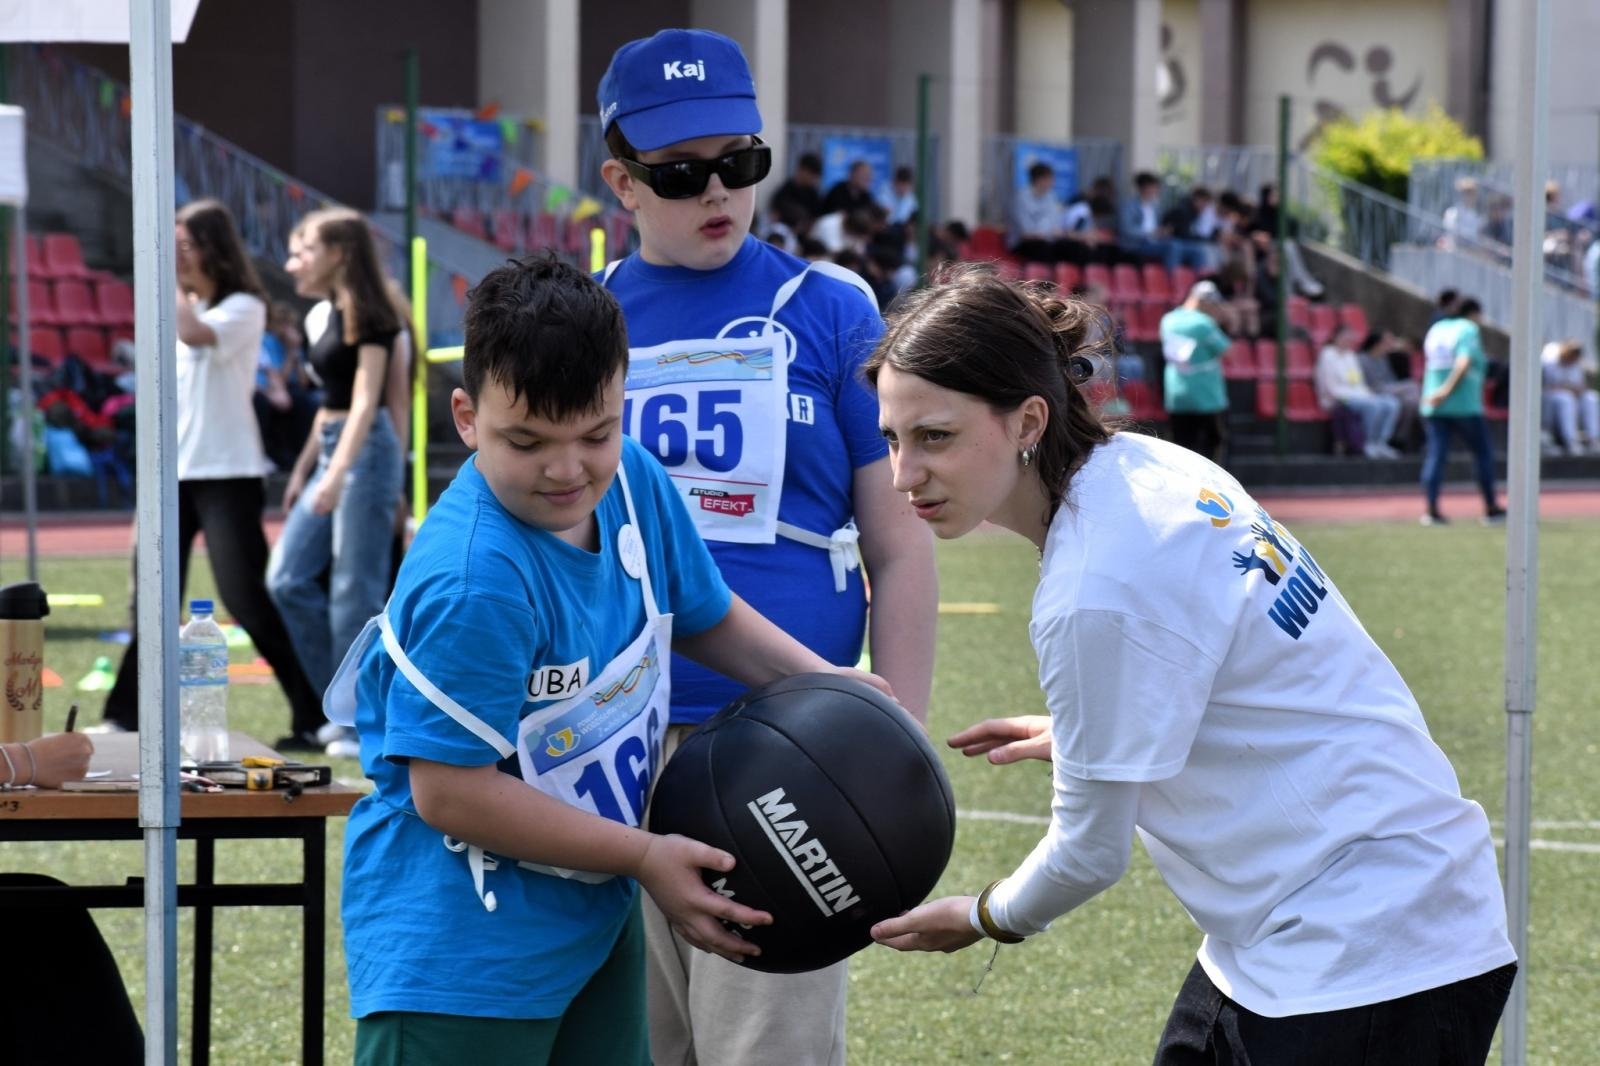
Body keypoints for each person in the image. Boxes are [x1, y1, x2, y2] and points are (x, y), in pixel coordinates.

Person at [864, 267, 1518, 1065]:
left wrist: (983, 916)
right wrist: (1088, 729)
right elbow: (1228, 667)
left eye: (935, 436)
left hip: (1370, 955)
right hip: (1314, 933)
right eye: (891, 439)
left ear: (1028, 419)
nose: (904, 475)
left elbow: (1089, 854)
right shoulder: (1154, 466)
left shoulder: (1094, 589)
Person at [328, 253, 891, 1065]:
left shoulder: (631, 478)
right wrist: (642, 855)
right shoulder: (473, 579)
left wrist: (831, 686)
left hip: (588, 923)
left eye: (594, 432)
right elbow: (448, 790)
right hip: (461, 956)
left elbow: (704, 614)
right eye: (526, 440)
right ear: (463, 415)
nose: (567, 470)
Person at [595, 28, 937, 1066]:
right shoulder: (584, 317)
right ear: (621, 181)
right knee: (636, 1048)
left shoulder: (831, 307)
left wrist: (895, 739)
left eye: (739, 162)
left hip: (788, 752)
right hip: (608, 751)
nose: (718, 190)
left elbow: (899, 541)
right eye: (679, 171)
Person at [91, 200, 325, 748]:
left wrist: (162, 268)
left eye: (186, 245)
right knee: (152, 597)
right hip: (172, 474)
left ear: (214, 249)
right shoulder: (184, 307)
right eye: (174, 246)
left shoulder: (242, 306)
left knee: (246, 599)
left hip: (226, 474)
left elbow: (194, 333)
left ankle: (313, 715)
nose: (178, 257)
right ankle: (125, 714)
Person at [267, 209, 406, 754]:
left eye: (304, 250)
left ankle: (356, 721)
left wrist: (340, 471)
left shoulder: (372, 315)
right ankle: (345, 703)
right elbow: (330, 406)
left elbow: (368, 402)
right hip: (333, 451)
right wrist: (306, 468)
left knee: (355, 589)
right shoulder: (318, 316)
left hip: (365, 453)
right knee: (287, 578)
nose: (292, 262)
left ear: (339, 252)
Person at [1419, 298, 1505, 526]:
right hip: (1463, 404)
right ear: (1473, 314)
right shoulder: (1468, 329)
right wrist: (1446, 390)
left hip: (1433, 403)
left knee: (1436, 457)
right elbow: (1463, 361)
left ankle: (1431, 510)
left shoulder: (1437, 328)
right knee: (1483, 454)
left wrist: (1438, 393)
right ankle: (1490, 508)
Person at [1159, 280, 1232, 465]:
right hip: (1206, 395)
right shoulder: (1203, 324)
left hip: (1176, 392)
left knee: (1180, 447)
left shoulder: (1168, 320)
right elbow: (1228, 351)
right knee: (1214, 445)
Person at [1315, 325, 1402, 458]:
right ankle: (1367, 442)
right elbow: (1331, 387)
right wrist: (1361, 396)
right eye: (1344, 337)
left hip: (1358, 394)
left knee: (1391, 403)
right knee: (1374, 406)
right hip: (1338, 398)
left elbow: (1358, 382)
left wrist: (1367, 394)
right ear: (1335, 337)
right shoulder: (1327, 355)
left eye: (1349, 339)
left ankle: (1380, 442)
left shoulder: (1350, 356)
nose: (1347, 341)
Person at [1357, 330, 1421, 451]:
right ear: (1376, 343)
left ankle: (1396, 440)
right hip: (1373, 390)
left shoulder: (1383, 359)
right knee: (1412, 386)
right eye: (1386, 343)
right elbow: (1369, 384)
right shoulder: (1362, 359)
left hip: (1389, 389)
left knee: (1410, 403)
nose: (1390, 345)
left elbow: (1390, 379)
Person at [1541, 339, 1599, 454]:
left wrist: (1577, 390)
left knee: (1592, 398)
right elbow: (1545, 385)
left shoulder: (1576, 364)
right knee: (1566, 399)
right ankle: (1570, 440)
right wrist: (1567, 388)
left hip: (1572, 395)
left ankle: (1594, 439)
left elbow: (1581, 385)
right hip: (1550, 397)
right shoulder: (1549, 360)